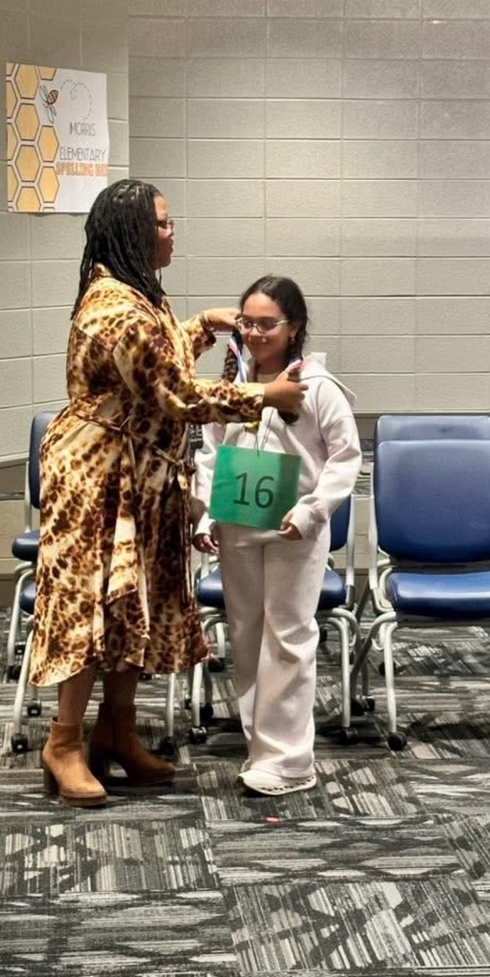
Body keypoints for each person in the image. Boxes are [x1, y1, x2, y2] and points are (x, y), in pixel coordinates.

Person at [29, 180, 307, 808]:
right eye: (159, 224)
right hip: (98, 483)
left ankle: (117, 734)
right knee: (92, 611)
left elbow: (160, 359)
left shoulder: (135, 296)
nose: (170, 231)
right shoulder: (115, 309)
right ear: (130, 233)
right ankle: (64, 742)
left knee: (135, 609)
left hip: (141, 480)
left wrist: (201, 325)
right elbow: (177, 395)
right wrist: (265, 396)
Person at [192, 275, 362, 797]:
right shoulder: (235, 388)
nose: (256, 333)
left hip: (294, 533)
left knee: (288, 637)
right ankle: (260, 745)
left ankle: (289, 760)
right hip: (239, 525)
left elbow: (345, 459)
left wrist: (313, 512)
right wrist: (205, 516)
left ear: (294, 328)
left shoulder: (318, 388)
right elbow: (211, 451)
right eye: (247, 323)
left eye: (268, 324)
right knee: (245, 635)